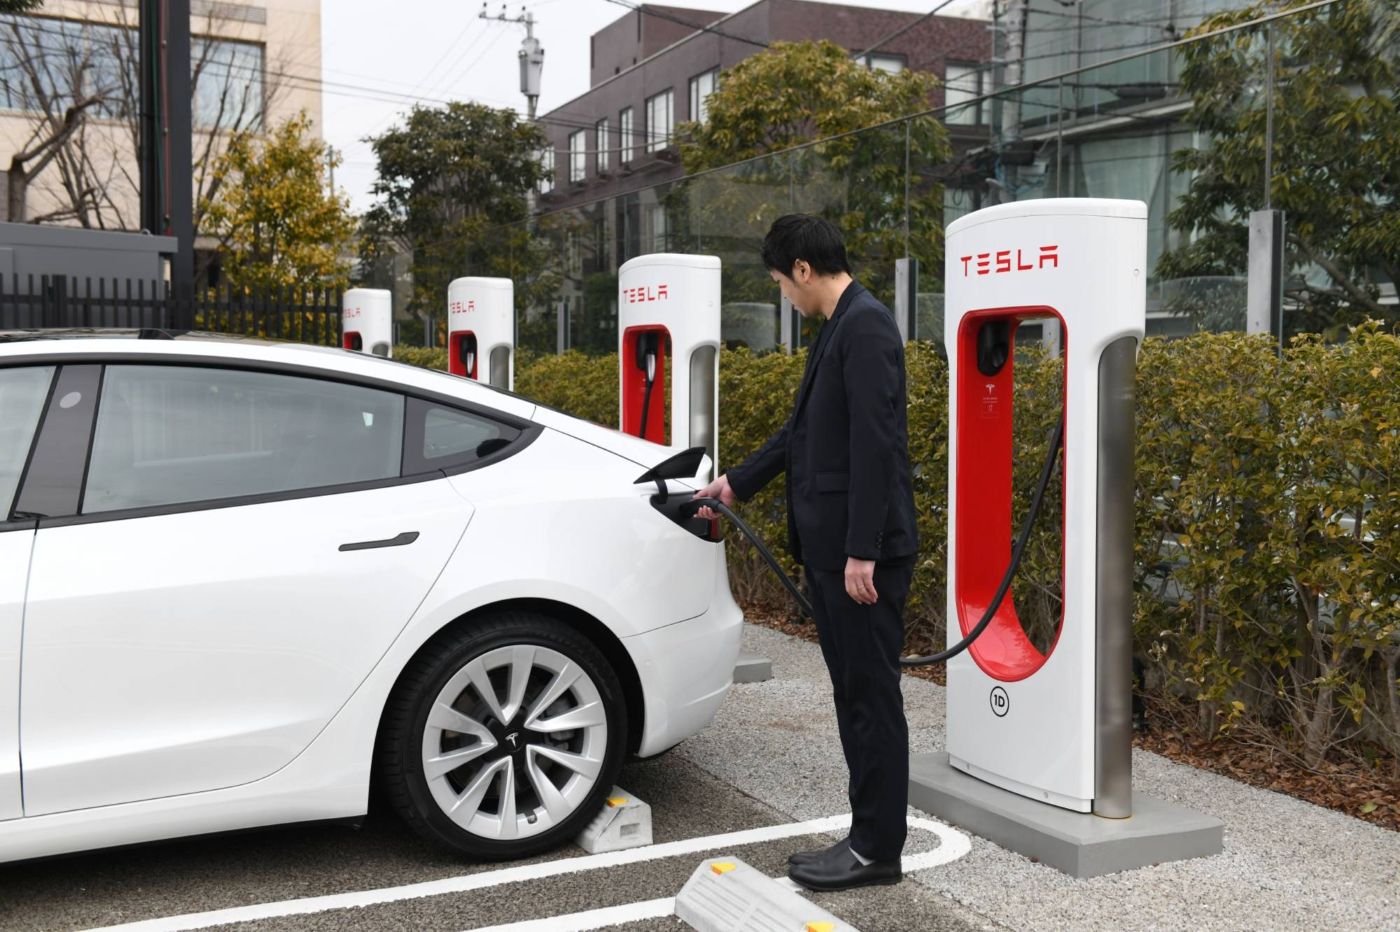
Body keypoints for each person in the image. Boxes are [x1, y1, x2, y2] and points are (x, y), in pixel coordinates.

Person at [694, 214, 918, 892]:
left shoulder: (867, 326)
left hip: (859, 559)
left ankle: (877, 849)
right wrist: (736, 483)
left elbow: (878, 447)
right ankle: (865, 839)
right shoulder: (840, 328)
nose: (784, 298)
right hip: (837, 553)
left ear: (801, 269)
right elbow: (802, 434)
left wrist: (862, 551)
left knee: (870, 699)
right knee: (854, 695)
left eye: (780, 284)